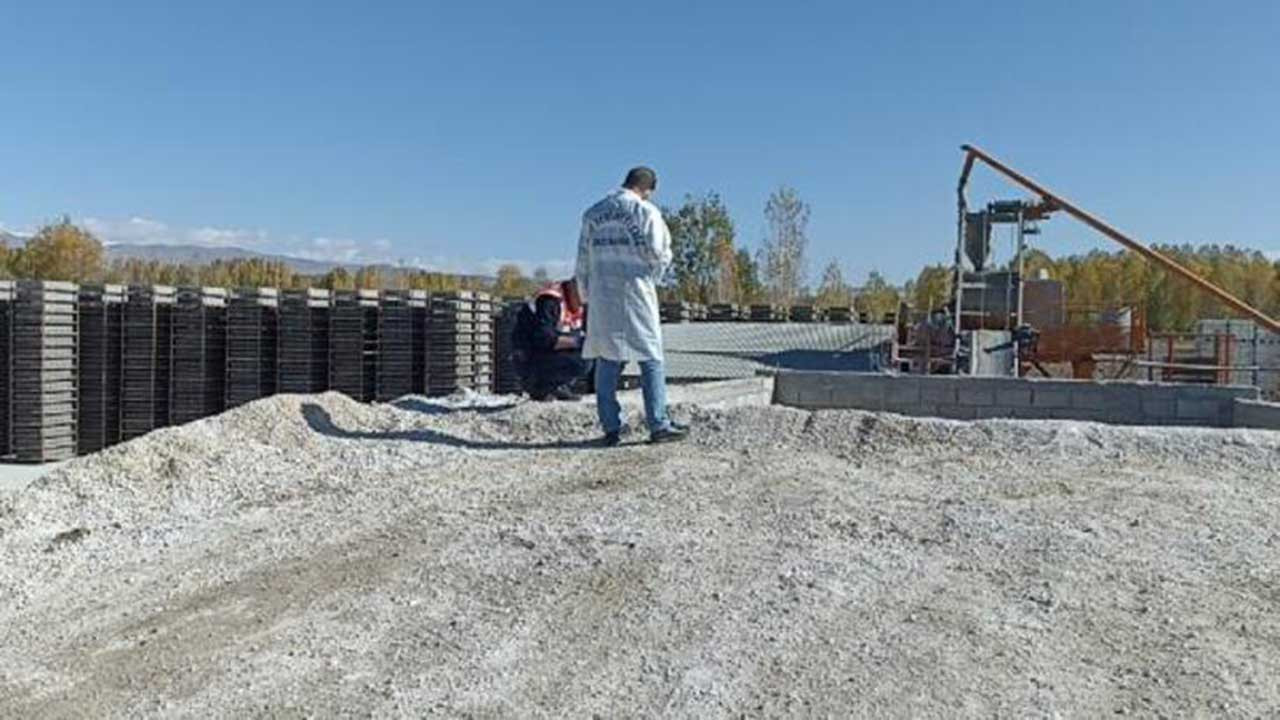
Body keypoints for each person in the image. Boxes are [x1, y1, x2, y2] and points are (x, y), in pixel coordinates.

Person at [575, 166, 688, 446]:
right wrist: (653, 275)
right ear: (648, 189)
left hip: (603, 295)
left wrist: (585, 293)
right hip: (635, 292)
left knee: (607, 357)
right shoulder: (647, 213)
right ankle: (658, 423)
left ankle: (611, 427)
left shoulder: (593, 214)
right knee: (651, 357)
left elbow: (582, 259)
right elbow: (660, 254)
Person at [511, 278, 592, 401]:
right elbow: (544, 339)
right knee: (584, 358)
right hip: (528, 356)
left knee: (592, 352)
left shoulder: (575, 304)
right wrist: (578, 342)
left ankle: (558, 386)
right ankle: (539, 386)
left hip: (547, 353)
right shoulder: (550, 300)